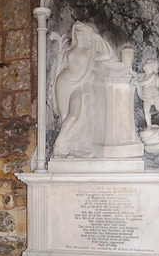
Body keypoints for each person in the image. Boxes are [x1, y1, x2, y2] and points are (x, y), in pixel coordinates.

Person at [50, 22, 118, 158]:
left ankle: (59, 145)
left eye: (81, 30)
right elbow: (59, 68)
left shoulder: (90, 53)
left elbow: (110, 56)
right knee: (64, 118)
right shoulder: (68, 51)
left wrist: (97, 37)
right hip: (63, 84)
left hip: (79, 86)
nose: (77, 31)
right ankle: (69, 150)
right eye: (76, 30)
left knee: (74, 116)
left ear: (88, 33)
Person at [130, 58, 159, 128]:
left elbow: (146, 82)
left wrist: (138, 83)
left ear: (152, 66)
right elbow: (136, 75)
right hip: (146, 96)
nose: (143, 66)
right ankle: (149, 125)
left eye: (146, 64)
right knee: (146, 110)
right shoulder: (143, 75)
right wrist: (129, 70)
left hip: (154, 95)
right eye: (144, 65)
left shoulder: (153, 75)